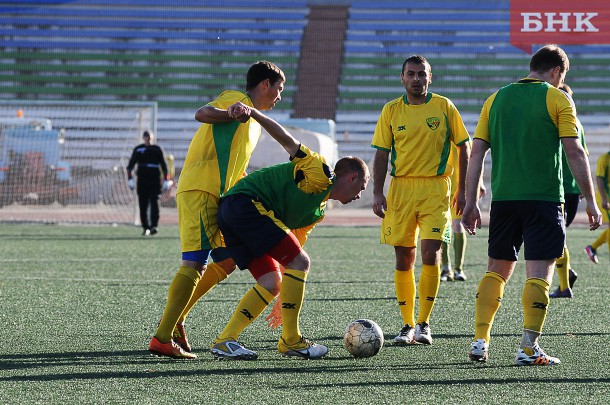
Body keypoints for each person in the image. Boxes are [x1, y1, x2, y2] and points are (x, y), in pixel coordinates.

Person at [462, 44, 602, 366]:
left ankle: (480, 341)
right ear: (557, 72)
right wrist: (592, 201)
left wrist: (471, 203)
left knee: (496, 270)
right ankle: (527, 348)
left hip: (505, 201)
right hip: (544, 199)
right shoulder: (557, 98)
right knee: (539, 271)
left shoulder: (495, 99)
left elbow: (477, 152)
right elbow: (575, 151)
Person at [209, 102, 369, 360]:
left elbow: (291, 257)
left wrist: (283, 299)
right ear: (351, 178)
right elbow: (287, 140)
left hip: (233, 214)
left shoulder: (316, 211)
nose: (360, 194)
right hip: (245, 205)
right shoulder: (320, 170)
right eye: (361, 186)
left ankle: (225, 340)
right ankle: (291, 341)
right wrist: (255, 114)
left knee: (271, 282)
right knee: (302, 262)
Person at [148, 61, 286, 359]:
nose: (279, 96)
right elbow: (201, 113)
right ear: (265, 84)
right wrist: (229, 112)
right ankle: (162, 336)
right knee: (194, 263)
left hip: (219, 198)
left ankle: (175, 321)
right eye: (279, 88)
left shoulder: (254, 122)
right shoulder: (238, 100)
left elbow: (234, 168)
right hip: (201, 190)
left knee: (227, 261)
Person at [371, 55, 471, 346]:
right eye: (411, 74)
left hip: (436, 189)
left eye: (421, 74)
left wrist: (463, 191)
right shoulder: (391, 111)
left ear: (430, 78)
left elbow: (464, 147)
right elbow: (380, 153)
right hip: (401, 189)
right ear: (402, 78)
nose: (416, 79)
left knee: (431, 255)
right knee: (404, 258)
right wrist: (378, 192)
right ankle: (406, 324)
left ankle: (424, 323)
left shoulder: (444, 106)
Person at [550, 83, 588, 298]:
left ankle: (564, 286)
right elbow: (583, 154)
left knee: (555, 237)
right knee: (556, 236)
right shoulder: (577, 123)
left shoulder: (561, 121)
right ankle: (566, 276)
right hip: (570, 188)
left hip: (560, 188)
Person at [440, 144, 486, 282]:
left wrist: (480, 182)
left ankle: (458, 269)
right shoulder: (440, 131)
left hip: (460, 188)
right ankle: (446, 268)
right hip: (441, 186)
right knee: (443, 227)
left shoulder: (464, 137)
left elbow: (476, 159)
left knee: (458, 225)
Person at [126, 130, 169, 236]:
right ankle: (145, 227)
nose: (147, 138)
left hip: (154, 180)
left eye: (149, 136)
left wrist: (166, 180)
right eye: (145, 136)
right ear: (143, 137)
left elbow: (164, 166)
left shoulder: (157, 149)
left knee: (155, 203)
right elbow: (130, 166)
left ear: (152, 137)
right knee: (143, 204)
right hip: (142, 180)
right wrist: (130, 179)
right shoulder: (138, 149)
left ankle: (154, 226)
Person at [584, 151, 610, 263]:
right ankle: (592, 247)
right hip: (605, 197)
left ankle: (592, 247)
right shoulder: (604, 159)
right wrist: (604, 199)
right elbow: (599, 180)